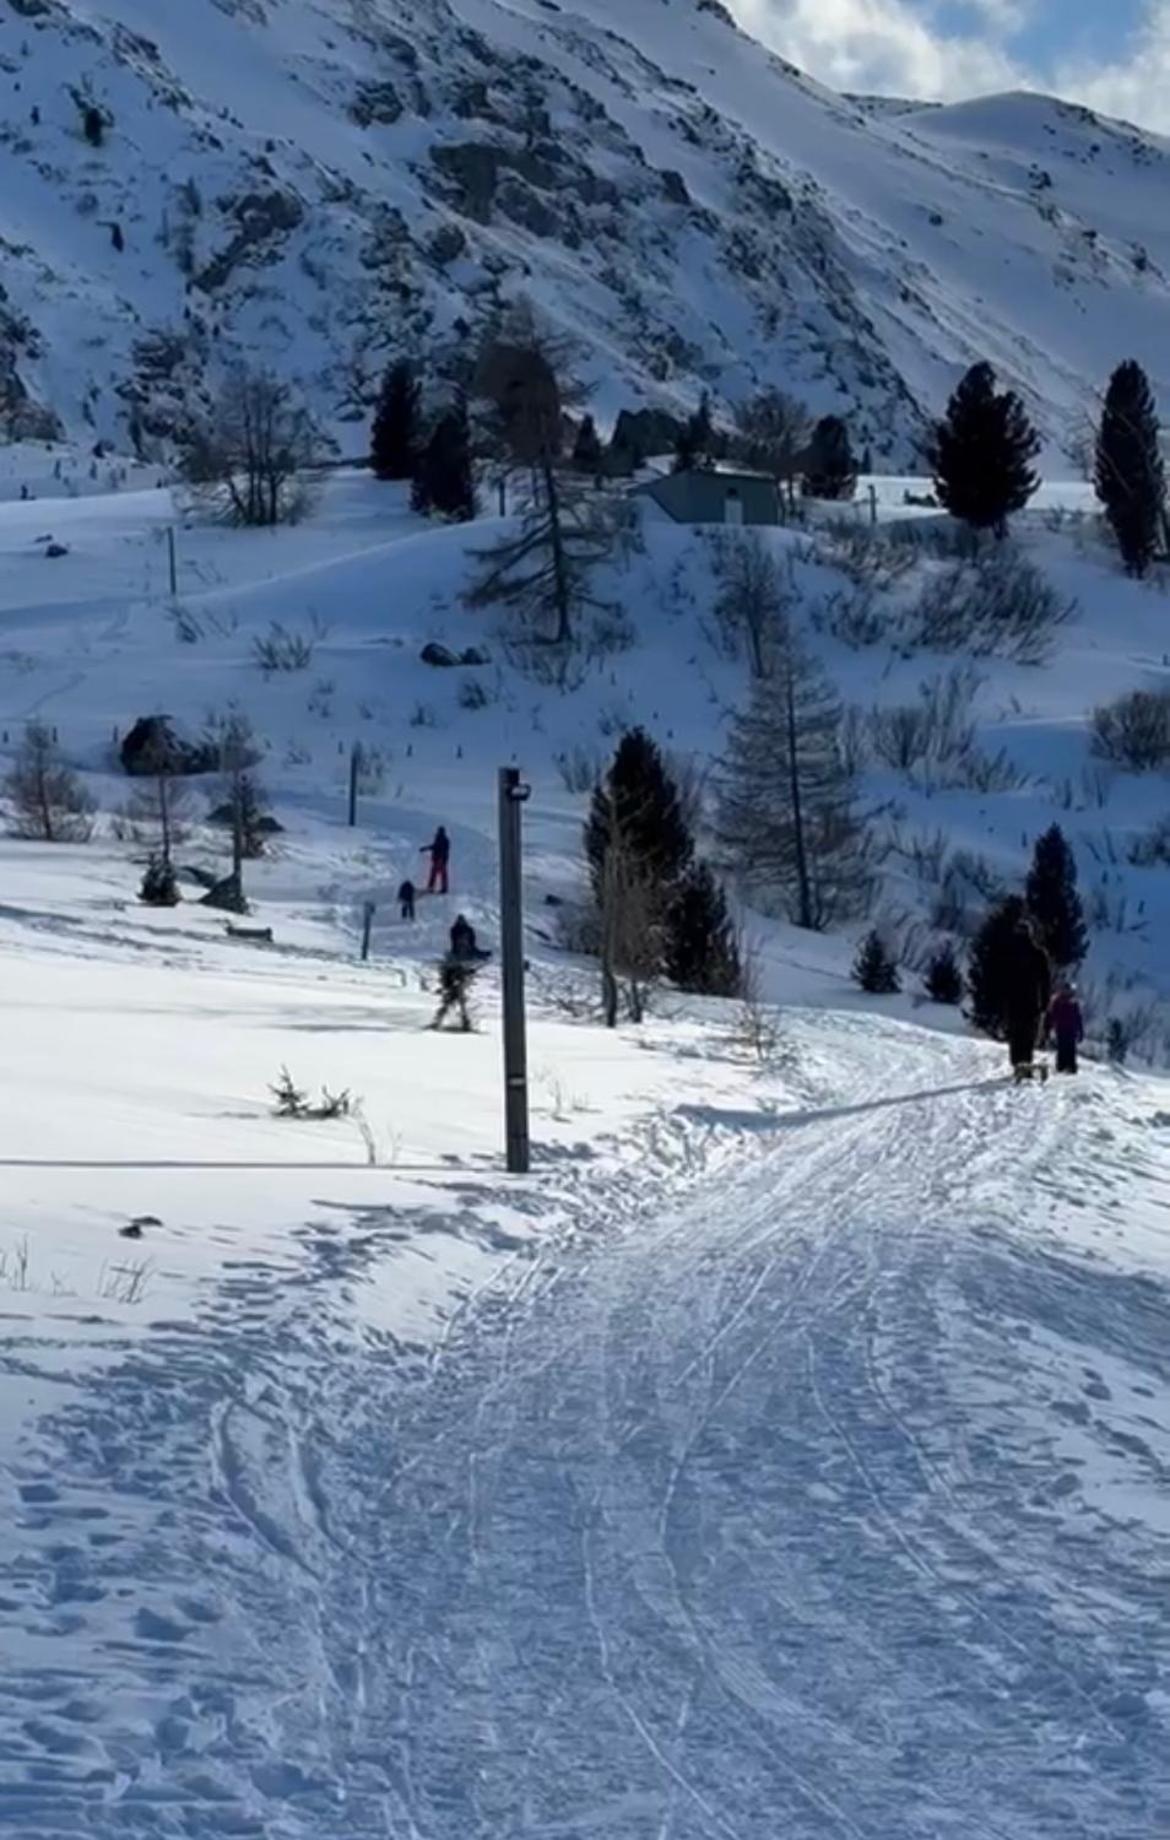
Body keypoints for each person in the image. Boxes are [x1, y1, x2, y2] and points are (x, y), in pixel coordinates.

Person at [1003, 916, 1052, 1073]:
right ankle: (1025, 1064)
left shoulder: (1009, 953)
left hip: (1013, 1000)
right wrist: (1045, 1002)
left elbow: (1001, 977)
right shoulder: (1038, 954)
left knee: (1016, 1034)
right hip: (1031, 1000)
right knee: (1027, 1034)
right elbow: (1045, 981)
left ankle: (1017, 1064)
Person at [1047, 982, 1084, 1074]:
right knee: (1062, 1048)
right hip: (1061, 1029)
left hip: (1071, 1030)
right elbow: (1052, 1015)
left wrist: (1080, 1031)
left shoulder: (1073, 1003)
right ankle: (1061, 1066)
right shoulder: (1057, 1001)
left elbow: (1078, 1017)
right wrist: (1049, 1027)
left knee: (1071, 1049)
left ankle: (1071, 1067)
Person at [431, 958, 475, 1033]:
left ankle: (465, 1024)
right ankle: (438, 1022)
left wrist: (470, 972)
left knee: (460, 1007)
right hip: (453, 991)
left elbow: (464, 975)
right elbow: (446, 981)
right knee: (448, 1006)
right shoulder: (449, 971)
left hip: (457, 991)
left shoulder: (455, 969)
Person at [421, 825, 450, 895]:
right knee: (440, 874)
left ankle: (432, 888)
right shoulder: (442, 839)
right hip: (440, 860)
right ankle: (442, 888)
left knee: (435, 874)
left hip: (439, 860)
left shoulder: (442, 839)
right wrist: (425, 848)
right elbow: (435, 847)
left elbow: (440, 849)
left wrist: (441, 859)